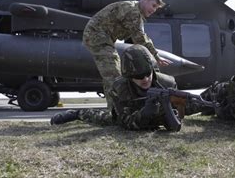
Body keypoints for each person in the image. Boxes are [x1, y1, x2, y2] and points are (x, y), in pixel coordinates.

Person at [50, 44, 180, 131]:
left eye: (147, 74)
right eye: (139, 76)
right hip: (128, 114)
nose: (145, 79)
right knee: (103, 118)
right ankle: (76, 113)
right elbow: (126, 123)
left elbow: (179, 113)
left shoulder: (168, 84)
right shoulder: (119, 88)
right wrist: (145, 113)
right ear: (129, 76)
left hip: (156, 115)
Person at [82, 0, 172, 108]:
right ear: (145, 0)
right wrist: (156, 56)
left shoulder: (134, 10)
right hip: (98, 36)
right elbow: (140, 38)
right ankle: (117, 110)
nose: (154, 10)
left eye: (156, 8)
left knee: (112, 73)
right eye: (153, 5)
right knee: (114, 74)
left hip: (101, 37)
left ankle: (115, 108)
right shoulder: (133, 11)